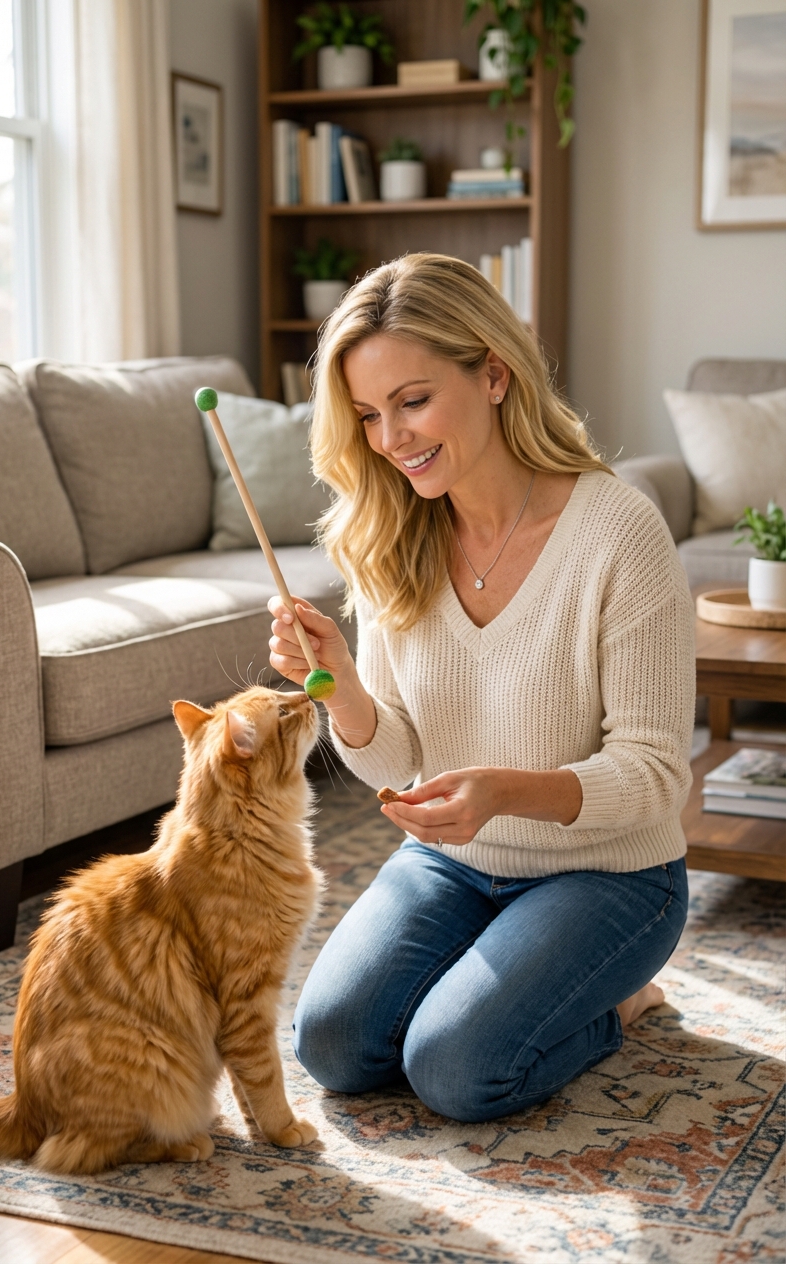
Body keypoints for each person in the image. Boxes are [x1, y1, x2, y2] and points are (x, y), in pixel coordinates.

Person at [268, 253, 695, 1124]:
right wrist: (341, 686)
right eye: (368, 416)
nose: (392, 440)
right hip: (452, 863)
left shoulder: (619, 530)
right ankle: (516, 974)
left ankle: (618, 1000)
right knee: (333, 1046)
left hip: (610, 873)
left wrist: (503, 790)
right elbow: (398, 760)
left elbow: (656, 774)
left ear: (494, 374)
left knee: (457, 1069)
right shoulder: (391, 535)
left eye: (414, 401)